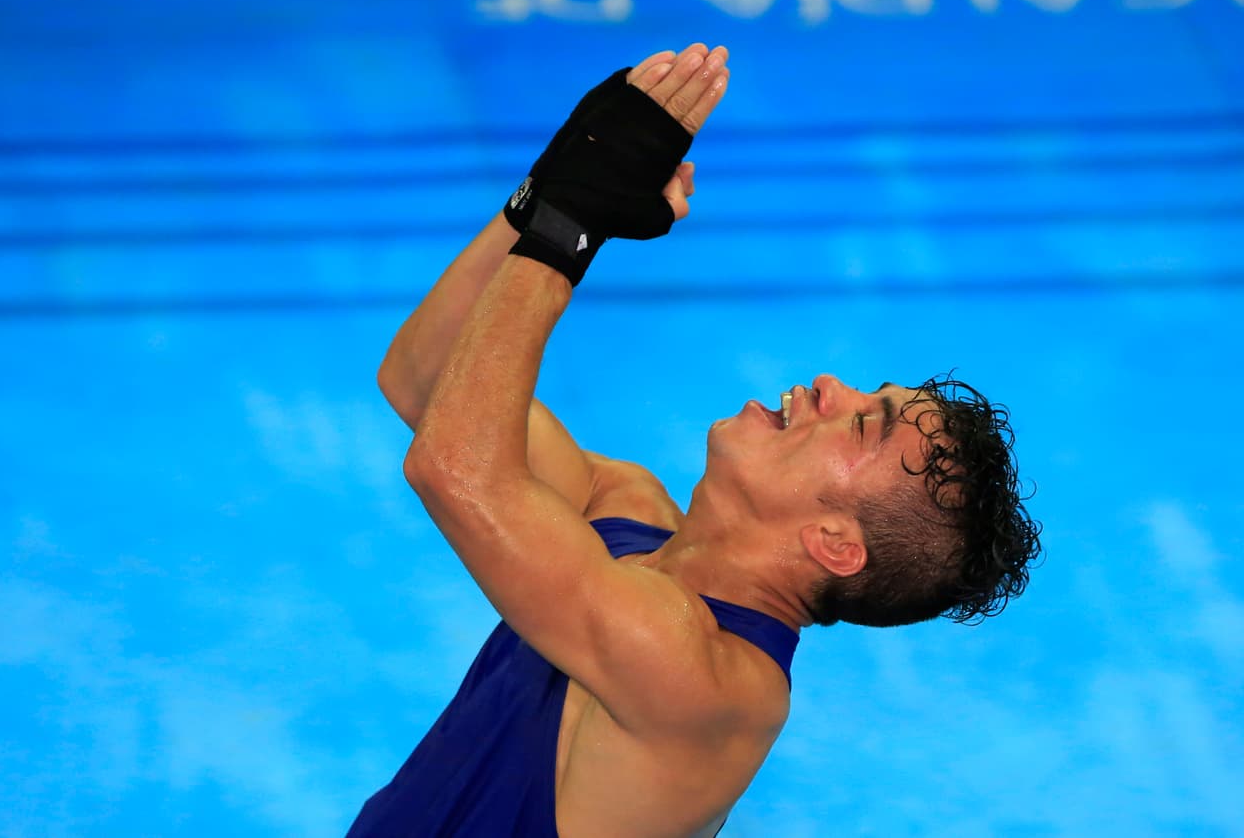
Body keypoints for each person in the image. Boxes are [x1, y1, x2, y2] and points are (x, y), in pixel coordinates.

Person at [348, 43, 1042, 838]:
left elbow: (451, 469)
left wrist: (575, 221)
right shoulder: (623, 508)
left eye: (861, 421)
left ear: (833, 542)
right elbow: (425, 381)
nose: (828, 385)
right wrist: (546, 191)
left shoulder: (708, 686)